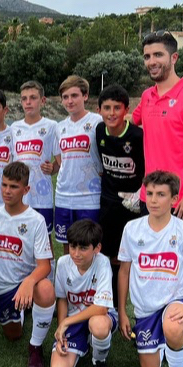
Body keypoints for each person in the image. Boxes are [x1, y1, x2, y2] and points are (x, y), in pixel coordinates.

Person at [132, 31, 183, 359]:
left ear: (174, 58)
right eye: (147, 57)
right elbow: (127, 121)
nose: (152, 61)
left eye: (158, 56)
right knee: (156, 265)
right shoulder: (147, 97)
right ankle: (162, 325)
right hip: (150, 198)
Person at [117, 171, 183, 367]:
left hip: (173, 302)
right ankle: (164, 344)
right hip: (145, 309)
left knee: (174, 327)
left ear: (174, 199)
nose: (153, 200)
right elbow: (124, 272)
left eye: (161, 195)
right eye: (150, 194)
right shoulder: (132, 229)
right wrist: (122, 311)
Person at [0, 162, 56, 367]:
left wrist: (28, 281)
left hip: (27, 283)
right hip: (1, 287)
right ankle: (25, 310)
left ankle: (35, 347)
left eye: (14, 187)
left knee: (44, 289)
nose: (7, 191)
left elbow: (44, 265)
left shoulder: (36, 220)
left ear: (26, 190)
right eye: (4, 185)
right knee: (13, 334)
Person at [51, 219, 116, 367]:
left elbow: (102, 307)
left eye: (83, 248)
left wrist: (66, 322)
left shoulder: (102, 263)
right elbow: (63, 299)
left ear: (97, 248)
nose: (76, 253)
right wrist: (61, 333)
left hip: (100, 316)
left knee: (99, 325)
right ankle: (86, 341)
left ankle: (99, 361)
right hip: (74, 319)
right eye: (73, 247)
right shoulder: (63, 263)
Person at [95, 84, 145, 301]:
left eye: (117, 107)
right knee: (109, 253)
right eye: (107, 107)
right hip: (108, 202)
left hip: (132, 204)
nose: (112, 113)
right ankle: (112, 301)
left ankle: (135, 300)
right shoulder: (99, 131)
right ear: (99, 110)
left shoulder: (137, 135)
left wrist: (140, 192)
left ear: (127, 109)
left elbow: (147, 165)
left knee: (132, 255)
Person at [54, 76, 104, 254]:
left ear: (85, 96)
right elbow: (60, 160)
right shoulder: (59, 127)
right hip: (63, 195)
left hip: (89, 197)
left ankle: (92, 282)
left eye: (74, 95)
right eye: (65, 97)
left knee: (90, 245)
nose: (69, 101)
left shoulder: (97, 121)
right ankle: (70, 282)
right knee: (68, 245)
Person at [10, 81, 60, 233]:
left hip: (42, 195)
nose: (28, 102)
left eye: (33, 98)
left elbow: (59, 161)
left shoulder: (51, 126)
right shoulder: (14, 128)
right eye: (24, 99)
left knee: (45, 239)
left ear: (42, 101)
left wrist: (52, 168)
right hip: (20, 195)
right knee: (21, 236)